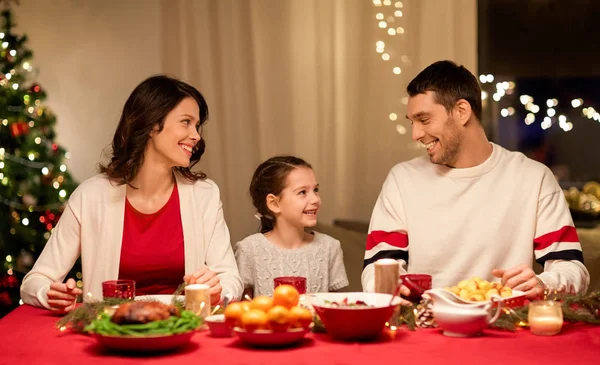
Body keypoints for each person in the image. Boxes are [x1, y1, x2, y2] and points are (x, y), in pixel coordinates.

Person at [361, 60, 590, 299]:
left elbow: (572, 268)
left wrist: (544, 283)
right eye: (412, 122)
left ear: (462, 111)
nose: (416, 134)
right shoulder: (402, 180)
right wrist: (390, 286)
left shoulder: (533, 178)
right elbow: (377, 268)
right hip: (425, 326)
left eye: (424, 120)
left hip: (506, 326)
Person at [20, 75, 243, 313]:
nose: (196, 135)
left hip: (183, 328)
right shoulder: (91, 196)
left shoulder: (204, 194)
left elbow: (230, 278)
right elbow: (34, 281)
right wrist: (49, 293)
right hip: (112, 331)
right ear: (151, 125)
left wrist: (219, 290)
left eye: (196, 126)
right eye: (186, 122)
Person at [234, 156, 349, 298]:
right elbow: (244, 311)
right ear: (274, 203)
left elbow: (334, 307)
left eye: (316, 189)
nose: (315, 199)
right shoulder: (248, 250)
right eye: (302, 192)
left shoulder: (330, 247)